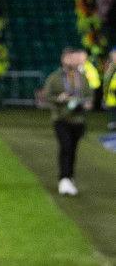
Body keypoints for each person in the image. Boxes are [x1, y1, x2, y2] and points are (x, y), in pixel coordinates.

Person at [42, 47, 93, 196]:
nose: (72, 60)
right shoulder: (55, 77)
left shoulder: (82, 77)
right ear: (63, 59)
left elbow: (89, 95)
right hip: (61, 118)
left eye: (73, 57)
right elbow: (47, 96)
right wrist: (59, 98)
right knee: (66, 146)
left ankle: (69, 177)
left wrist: (87, 103)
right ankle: (64, 178)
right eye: (68, 58)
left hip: (78, 119)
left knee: (73, 149)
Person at [100, 48, 116, 131]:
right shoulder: (109, 66)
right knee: (112, 109)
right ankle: (113, 123)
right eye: (113, 55)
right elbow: (106, 81)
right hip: (111, 94)